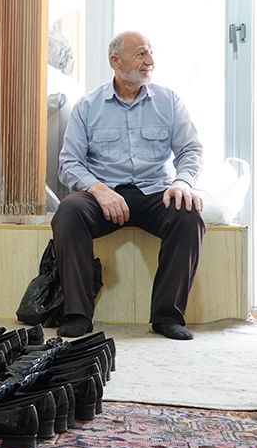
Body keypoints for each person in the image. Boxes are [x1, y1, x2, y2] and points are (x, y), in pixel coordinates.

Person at [51, 31, 206, 341]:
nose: (150, 61)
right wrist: (97, 189)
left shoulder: (169, 101)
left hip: (154, 192)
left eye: (151, 53)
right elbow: (69, 162)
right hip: (105, 195)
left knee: (189, 215)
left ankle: (167, 317)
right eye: (141, 54)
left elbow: (191, 150)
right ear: (115, 61)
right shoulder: (88, 106)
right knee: (69, 211)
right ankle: (78, 315)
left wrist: (182, 181)